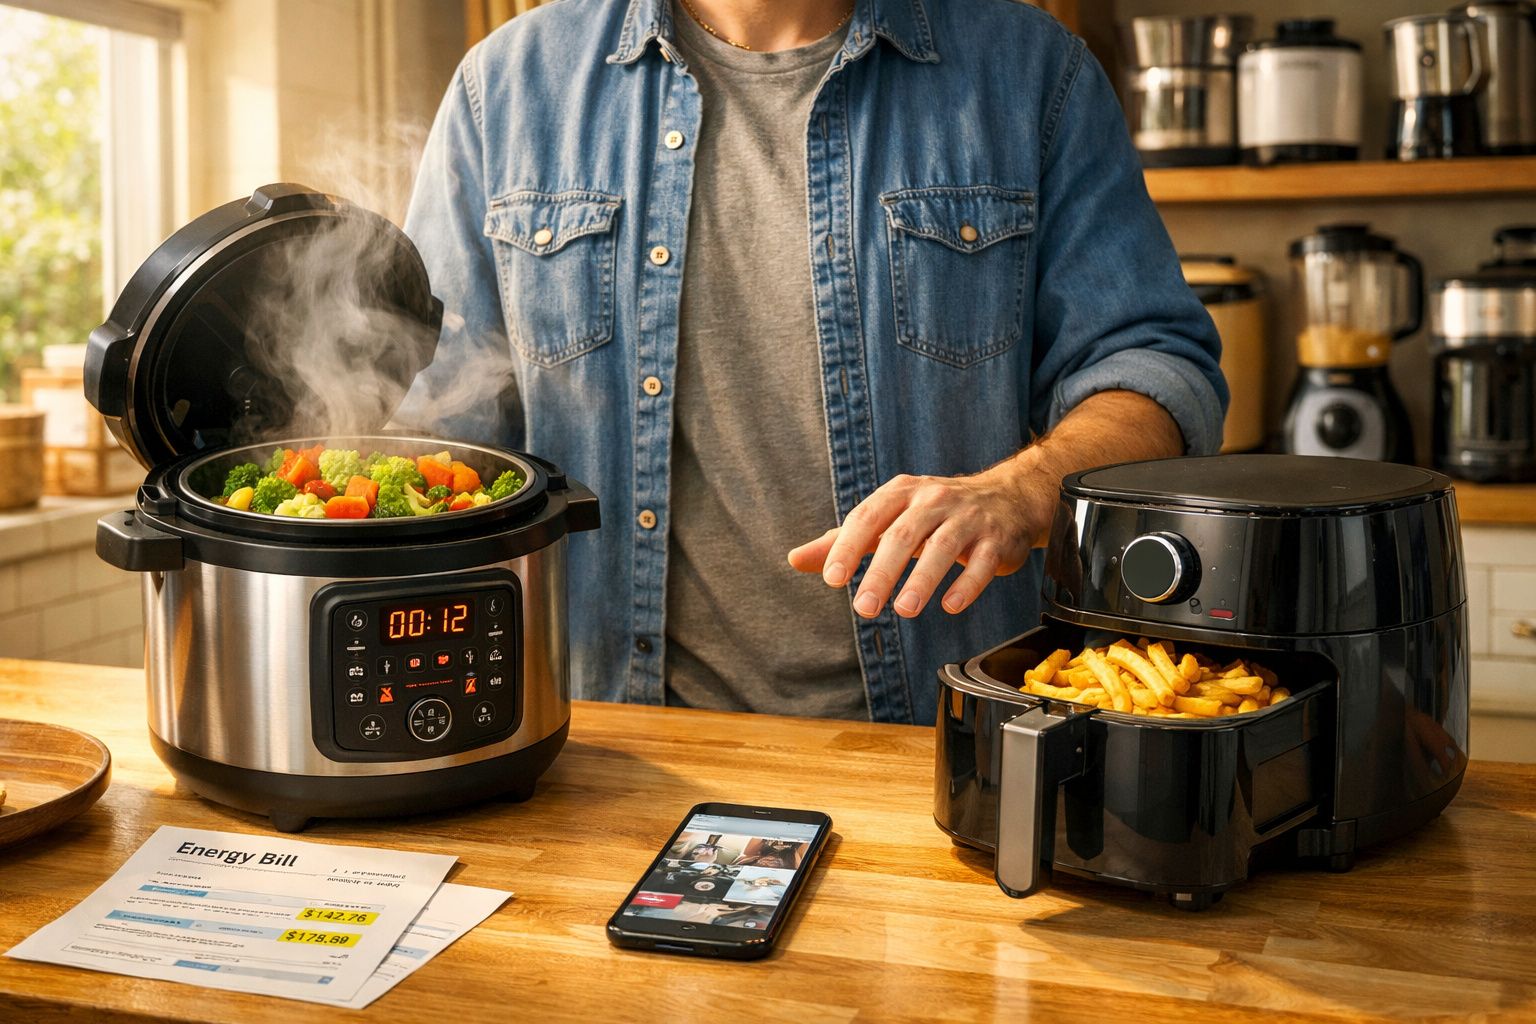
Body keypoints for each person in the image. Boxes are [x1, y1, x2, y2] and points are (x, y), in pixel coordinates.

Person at [397, 0, 1227, 726]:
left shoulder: (1030, 72)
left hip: (945, 730)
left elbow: (1158, 370)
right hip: (611, 741)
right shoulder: (504, 88)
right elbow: (436, 450)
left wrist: (1018, 491)